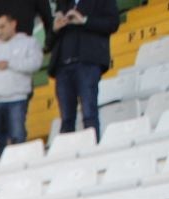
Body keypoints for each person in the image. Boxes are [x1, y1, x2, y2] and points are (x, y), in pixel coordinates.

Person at [49, 0, 120, 141]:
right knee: (66, 118)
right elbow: (49, 42)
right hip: (63, 65)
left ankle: (93, 152)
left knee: (89, 113)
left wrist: (84, 20)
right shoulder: (63, 3)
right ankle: (68, 156)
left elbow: (113, 23)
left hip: (88, 62)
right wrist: (55, 28)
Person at [0, 13, 42, 157]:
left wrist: (10, 64)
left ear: (13, 24)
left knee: (17, 137)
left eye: (2, 27)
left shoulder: (28, 42)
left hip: (16, 99)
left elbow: (35, 64)